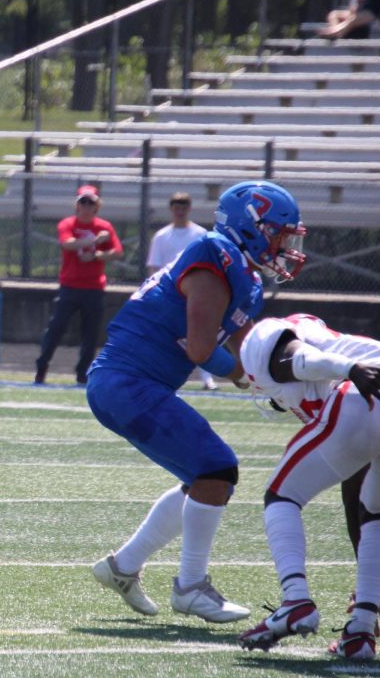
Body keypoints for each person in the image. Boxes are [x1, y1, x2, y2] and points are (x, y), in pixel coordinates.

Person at [88, 180, 306, 623]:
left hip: (133, 384)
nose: (286, 245)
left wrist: (302, 375)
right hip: (125, 381)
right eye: (280, 234)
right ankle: (190, 586)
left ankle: (122, 567)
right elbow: (201, 350)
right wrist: (246, 378)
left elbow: (255, 351)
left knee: (203, 477)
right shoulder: (215, 255)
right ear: (253, 226)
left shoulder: (243, 276)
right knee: (216, 468)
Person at [236, 314, 380, 660]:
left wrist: (351, 369)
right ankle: (360, 632)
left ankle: (295, 600)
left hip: (365, 391)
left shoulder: (264, 340)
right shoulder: (332, 357)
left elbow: (299, 360)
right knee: (378, 511)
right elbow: (357, 498)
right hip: (377, 400)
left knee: (282, 494)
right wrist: (371, 587)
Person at [34, 184, 124, 385]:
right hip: (70, 286)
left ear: (96, 206)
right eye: (82, 201)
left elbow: (117, 252)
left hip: (94, 288)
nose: (85, 206)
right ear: (76, 205)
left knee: (90, 335)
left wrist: (98, 255)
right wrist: (93, 241)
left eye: (90, 202)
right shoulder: (68, 224)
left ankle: (82, 373)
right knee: (55, 329)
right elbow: (67, 243)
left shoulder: (104, 226)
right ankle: (42, 367)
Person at [146, 192, 217, 390]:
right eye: (176, 205)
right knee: (165, 336)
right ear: (171, 208)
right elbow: (154, 267)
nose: (180, 209)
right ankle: (159, 376)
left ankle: (206, 378)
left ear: (189, 208)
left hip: (196, 293)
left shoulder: (200, 234)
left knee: (202, 334)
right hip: (169, 294)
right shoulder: (161, 236)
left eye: (184, 205)